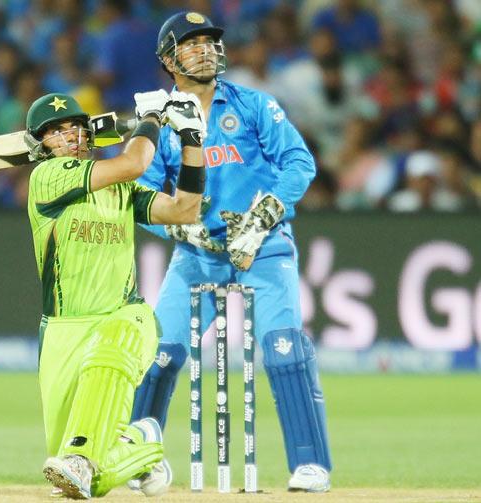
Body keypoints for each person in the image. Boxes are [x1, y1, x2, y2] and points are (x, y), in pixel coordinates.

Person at [130, 12, 333, 492]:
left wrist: (265, 213)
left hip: (262, 247)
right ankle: (140, 459)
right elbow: (140, 195)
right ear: (168, 59)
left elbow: (299, 161)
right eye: (191, 44)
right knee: (159, 353)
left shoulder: (253, 105)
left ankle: (311, 464)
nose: (204, 50)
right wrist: (180, 233)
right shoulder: (159, 122)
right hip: (198, 254)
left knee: (284, 351)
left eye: (209, 42)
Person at [25, 90, 207, 499]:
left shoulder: (122, 190)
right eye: (56, 131)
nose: (70, 136)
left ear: (89, 135)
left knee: (79, 454)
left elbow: (185, 210)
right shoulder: (48, 178)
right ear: (42, 145)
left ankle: (85, 458)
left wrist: (194, 141)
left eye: (75, 127)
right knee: (82, 465)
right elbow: (136, 161)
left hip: (125, 317)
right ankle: (141, 446)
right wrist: (154, 118)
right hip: (62, 330)